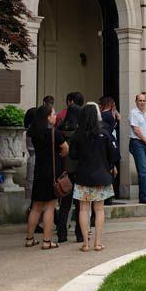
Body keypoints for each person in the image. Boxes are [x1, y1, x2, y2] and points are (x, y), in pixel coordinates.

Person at [69, 103, 115, 252]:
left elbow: (73, 155)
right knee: (99, 209)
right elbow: (112, 155)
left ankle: (85, 243)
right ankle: (98, 242)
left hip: (83, 175)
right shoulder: (104, 133)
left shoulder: (77, 134)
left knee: (83, 209)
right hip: (101, 175)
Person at [25, 104, 68, 250]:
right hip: (52, 172)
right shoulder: (54, 133)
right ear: (47, 117)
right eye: (53, 114)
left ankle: (30, 238)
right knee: (50, 206)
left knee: (36, 206)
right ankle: (47, 240)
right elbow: (65, 148)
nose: (56, 116)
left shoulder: (33, 133)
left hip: (38, 171)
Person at [56, 103, 83, 243]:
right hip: (77, 171)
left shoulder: (60, 130)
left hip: (64, 172)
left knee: (64, 205)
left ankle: (61, 234)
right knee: (79, 206)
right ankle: (79, 234)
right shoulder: (80, 132)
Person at [129, 93, 146, 205]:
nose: (142, 102)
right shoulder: (133, 113)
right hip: (137, 143)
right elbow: (136, 130)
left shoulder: (145, 114)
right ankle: (143, 197)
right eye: (140, 100)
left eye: (144, 100)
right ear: (136, 101)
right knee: (143, 170)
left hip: (145, 143)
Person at [99, 96, 121, 201]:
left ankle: (108, 197)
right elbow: (119, 117)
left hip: (107, 145)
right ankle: (110, 196)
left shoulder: (103, 115)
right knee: (112, 169)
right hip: (113, 144)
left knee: (109, 170)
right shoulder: (111, 115)